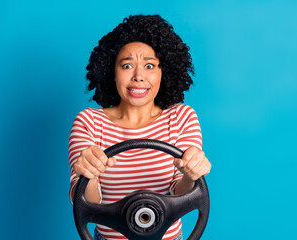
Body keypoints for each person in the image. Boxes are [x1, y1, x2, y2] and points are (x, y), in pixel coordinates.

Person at [68, 14, 211, 240]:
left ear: (164, 72)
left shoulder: (182, 117)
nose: (138, 76)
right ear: (111, 72)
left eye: (149, 65)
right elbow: (87, 202)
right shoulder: (89, 122)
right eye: (126, 66)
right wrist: (89, 174)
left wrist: (191, 174)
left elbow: (180, 191)